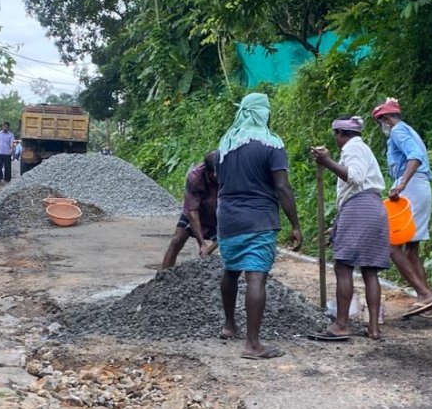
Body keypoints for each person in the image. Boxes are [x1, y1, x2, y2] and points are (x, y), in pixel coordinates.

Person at [216, 93, 302, 359]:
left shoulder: (226, 145)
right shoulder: (271, 144)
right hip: (259, 218)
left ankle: (230, 326)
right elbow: (282, 187)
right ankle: (252, 344)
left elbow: (221, 181)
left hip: (228, 217)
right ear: (262, 113)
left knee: (231, 270)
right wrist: (295, 224)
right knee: (255, 276)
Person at [311, 116, 389, 341]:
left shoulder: (353, 149)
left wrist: (327, 162)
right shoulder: (362, 149)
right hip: (374, 207)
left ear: (341, 134)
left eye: (336, 135)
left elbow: (354, 178)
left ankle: (341, 324)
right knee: (369, 270)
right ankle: (373, 328)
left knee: (343, 267)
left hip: (359, 207)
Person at [371, 97, 432, 316]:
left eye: (381, 121)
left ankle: (424, 294)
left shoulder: (398, 131)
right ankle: (424, 299)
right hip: (420, 185)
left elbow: (415, 158)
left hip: (412, 186)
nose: (381, 126)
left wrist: (401, 184)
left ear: (387, 119)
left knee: (391, 244)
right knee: (411, 247)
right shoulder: (409, 130)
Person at [161, 150, 219, 269]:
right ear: (208, 171)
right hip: (198, 211)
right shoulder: (195, 177)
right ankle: (163, 276)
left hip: (219, 213)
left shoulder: (231, 173)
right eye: (217, 173)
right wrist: (202, 244)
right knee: (177, 240)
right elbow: (192, 212)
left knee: (234, 248)